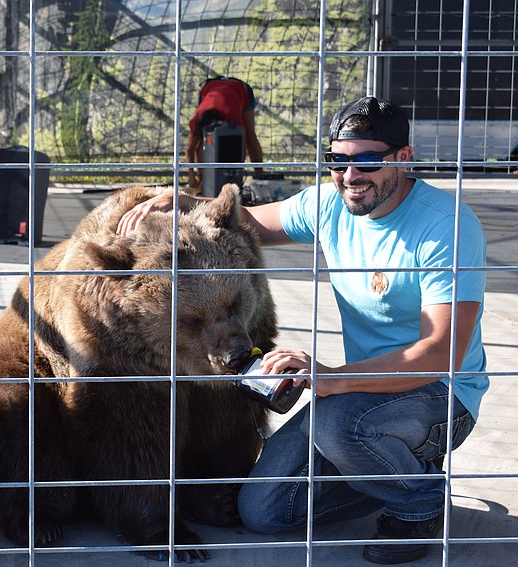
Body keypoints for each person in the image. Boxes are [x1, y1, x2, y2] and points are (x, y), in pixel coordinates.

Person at [117, 96, 488, 565]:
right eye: (337, 161)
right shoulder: (329, 203)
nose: (350, 175)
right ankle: (408, 473)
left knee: (338, 423)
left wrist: (330, 378)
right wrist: (184, 202)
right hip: (361, 390)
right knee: (264, 511)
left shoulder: (446, 227)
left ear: (403, 158)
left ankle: (418, 504)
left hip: (440, 395)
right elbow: (251, 223)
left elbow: (441, 354)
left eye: (368, 160)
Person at [185, 76, 265, 191]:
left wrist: (235, 174)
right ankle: (203, 179)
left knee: (250, 136)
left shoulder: (233, 118)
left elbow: (241, 147)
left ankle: (260, 177)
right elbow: (190, 149)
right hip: (209, 88)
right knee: (205, 142)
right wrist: (192, 177)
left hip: (240, 89)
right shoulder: (197, 120)